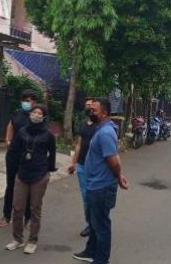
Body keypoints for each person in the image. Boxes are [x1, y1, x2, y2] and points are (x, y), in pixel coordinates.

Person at [73, 98, 129, 264]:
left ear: (104, 113)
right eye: (90, 108)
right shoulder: (101, 129)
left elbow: (113, 160)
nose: (90, 111)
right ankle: (91, 251)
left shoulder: (105, 132)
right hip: (94, 184)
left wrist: (119, 176)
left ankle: (102, 259)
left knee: (101, 224)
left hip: (101, 187)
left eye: (94, 110)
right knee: (93, 221)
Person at [5, 104, 56, 254]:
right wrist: (13, 171)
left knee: (35, 209)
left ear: (44, 117)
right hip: (22, 174)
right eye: (34, 112)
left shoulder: (48, 135)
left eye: (40, 113)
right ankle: (17, 239)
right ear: (30, 114)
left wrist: (49, 171)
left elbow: (52, 155)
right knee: (18, 207)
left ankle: (32, 240)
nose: (36, 115)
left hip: (39, 175)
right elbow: (14, 151)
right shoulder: (21, 132)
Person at [0, 89, 38, 228]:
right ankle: (6, 215)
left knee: (26, 187)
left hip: (28, 157)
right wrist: (8, 141)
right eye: (24, 99)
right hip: (13, 156)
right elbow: (10, 126)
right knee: (11, 186)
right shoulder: (17, 113)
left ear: (34, 102)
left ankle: (27, 217)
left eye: (29, 100)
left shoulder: (37, 116)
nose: (26, 102)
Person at [67, 97, 98, 237]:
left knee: (94, 197)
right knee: (86, 196)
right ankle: (90, 224)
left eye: (91, 106)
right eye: (86, 106)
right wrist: (73, 163)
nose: (88, 108)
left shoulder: (101, 126)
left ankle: (96, 223)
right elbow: (79, 144)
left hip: (96, 168)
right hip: (81, 166)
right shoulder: (83, 124)